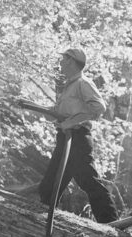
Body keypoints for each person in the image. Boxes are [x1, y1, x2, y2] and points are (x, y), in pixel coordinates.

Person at [38, 46, 118, 224]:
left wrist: (70, 122)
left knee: (90, 183)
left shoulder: (83, 83)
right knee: (49, 187)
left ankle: (112, 227)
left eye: (63, 59)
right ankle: (43, 224)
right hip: (65, 140)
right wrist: (33, 106)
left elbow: (99, 107)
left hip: (77, 141)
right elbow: (59, 113)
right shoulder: (69, 87)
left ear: (71, 61)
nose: (60, 63)